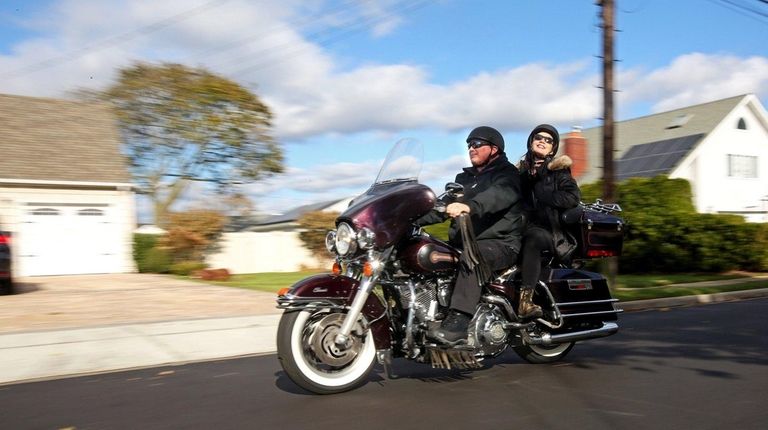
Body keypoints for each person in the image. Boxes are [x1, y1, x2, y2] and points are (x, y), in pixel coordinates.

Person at [418, 126, 524, 343]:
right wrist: (409, 217)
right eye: (469, 145)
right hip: (464, 242)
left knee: (472, 256)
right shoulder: (463, 178)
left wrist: (469, 206)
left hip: (501, 243)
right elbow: (442, 206)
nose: (471, 149)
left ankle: (459, 321)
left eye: (476, 144)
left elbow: (498, 196)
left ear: (494, 149)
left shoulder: (509, 175)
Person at [517, 124, 581, 318]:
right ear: (531, 142)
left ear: (553, 148)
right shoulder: (518, 172)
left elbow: (572, 197)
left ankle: (525, 301)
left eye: (548, 140)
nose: (543, 141)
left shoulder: (558, 171)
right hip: (518, 227)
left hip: (550, 233)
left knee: (534, 237)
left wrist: (543, 195)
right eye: (539, 137)